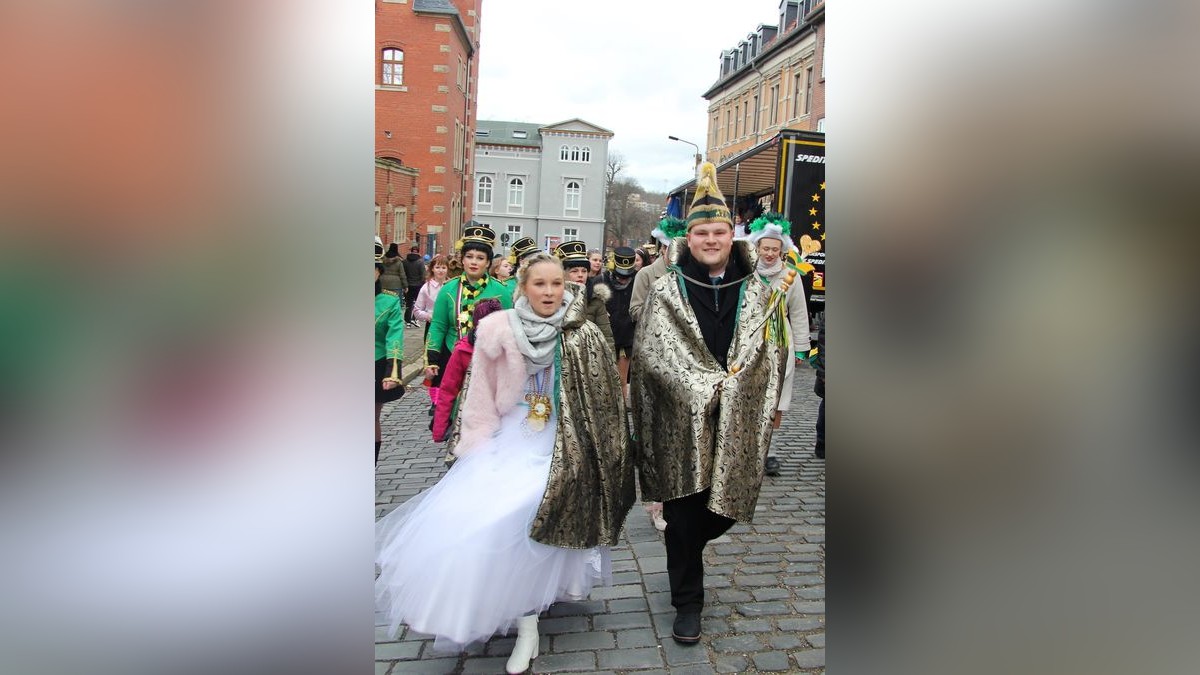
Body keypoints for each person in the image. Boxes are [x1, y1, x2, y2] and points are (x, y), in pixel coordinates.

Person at [376, 253, 635, 674]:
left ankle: (531, 613)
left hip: (563, 438)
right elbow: (480, 391)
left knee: (538, 507)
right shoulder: (497, 330)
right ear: (523, 287)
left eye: (557, 284)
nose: (549, 292)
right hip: (513, 434)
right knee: (493, 516)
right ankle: (522, 617)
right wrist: (476, 443)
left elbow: (602, 397)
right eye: (540, 284)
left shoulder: (582, 332)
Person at [630, 162, 788, 645]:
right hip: (680, 419)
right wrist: (700, 387)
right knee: (682, 509)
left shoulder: (759, 292)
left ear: (732, 236)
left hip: (737, 417)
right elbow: (651, 355)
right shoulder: (665, 289)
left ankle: (686, 547)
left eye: (720, 231)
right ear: (690, 237)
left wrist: (746, 388)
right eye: (702, 232)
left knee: (720, 510)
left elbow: (770, 353)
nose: (711, 239)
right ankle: (688, 601)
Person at [744, 213, 815, 476]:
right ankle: (748, 449)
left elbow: (797, 312)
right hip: (749, 341)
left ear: (782, 250)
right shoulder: (746, 273)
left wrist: (800, 347)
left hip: (779, 339)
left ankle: (770, 451)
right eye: (766, 248)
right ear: (758, 248)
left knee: (776, 400)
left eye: (775, 249)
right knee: (748, 396)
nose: (770, 253)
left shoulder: (791, 276)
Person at [423, 225, 513, 392]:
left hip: (488, 360)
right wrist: (432, 359)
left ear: (487, 263)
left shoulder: (501, 291)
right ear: (462, 259)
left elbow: (509, 329)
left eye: (480, 258)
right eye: (469, 256)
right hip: (452, 356)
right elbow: (438, 325)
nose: (473, 262)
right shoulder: (448, 289)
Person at [430, 298, 502, 442]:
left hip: (503, 418)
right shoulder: (463, 351)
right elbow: (448, 389)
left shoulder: (509, 347)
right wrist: (439, 428)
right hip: (471, 418)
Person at [375, 237, 405, 465]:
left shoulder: (389, 302)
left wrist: (392, 371)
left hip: (376, 365)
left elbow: (394, 337)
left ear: (378, 273)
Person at [555, 240, 614, 350]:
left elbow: (607, 336)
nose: (580, 275)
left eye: (584, 271)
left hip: (589, 356)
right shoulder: (553, 298)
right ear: (563, 273)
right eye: (574, 271)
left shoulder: (596, 299)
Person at [630, 217, 686, 322]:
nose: (678, 253)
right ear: (664, 249)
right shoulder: (645, 274)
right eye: (674, 248)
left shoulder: (688, 274)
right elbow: (635, 311)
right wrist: (663, 310)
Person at [412, 254, 450, 413]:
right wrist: (429, 316)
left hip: (449, 329)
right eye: (438, 267)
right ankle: (435, 401)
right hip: (433, 328)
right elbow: (416, 311)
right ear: (432, 269)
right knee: (433, 364)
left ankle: (446, 398)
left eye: (443, 267)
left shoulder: (452, 285)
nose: (441, 270)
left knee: (447, 362)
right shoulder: (426, 288)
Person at [603, 246, 637, 390]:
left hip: (627, 339)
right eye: (620, 276)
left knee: (621, 380)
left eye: (627, 276)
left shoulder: (638, 280)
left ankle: (622, 411)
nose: (624, 279)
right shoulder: (602, 280)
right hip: (606, 338)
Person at [402, 246, 425, 326]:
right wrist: (423, 284)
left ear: (411, 251)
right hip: (418, 285)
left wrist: (404, 285)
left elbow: (403, 274)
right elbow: (423, 274)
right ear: (418, 252)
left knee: (408, 303)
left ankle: (407, 320)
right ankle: (414, 319)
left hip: (408, 285)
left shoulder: (405, 261)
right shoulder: (420, 262)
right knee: (417, 304)